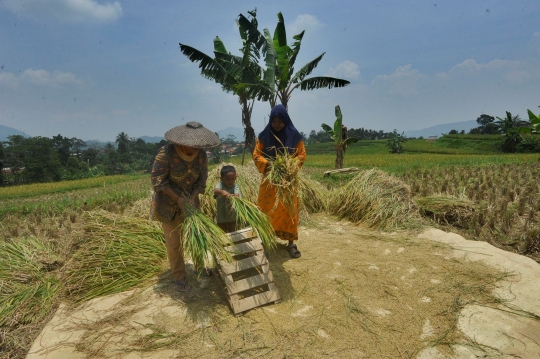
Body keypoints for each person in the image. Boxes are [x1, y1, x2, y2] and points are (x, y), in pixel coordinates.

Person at [151, 121, 221, 292]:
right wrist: (178, 199)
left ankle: (199, 266)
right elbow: (158, 181)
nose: (195, 149)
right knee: (174, 243)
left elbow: (202, 180)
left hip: (190, 201)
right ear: (182, 143)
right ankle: (179, 276)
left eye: (198, 146)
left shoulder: (202, 155)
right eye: (192, 146)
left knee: (196, 235)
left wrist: (192, 198)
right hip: (168, 204)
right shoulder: (166, 153)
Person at [253, 104, 306, 258]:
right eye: (274, 121)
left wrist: (289, 165)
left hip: (288, 182)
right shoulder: (264, 136)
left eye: (280, 121)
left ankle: (291, 244)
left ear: (286, 121)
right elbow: (256, 155)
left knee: (289, 210)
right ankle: (265, 242)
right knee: (265, 211)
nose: (277, 124)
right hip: (269, 182)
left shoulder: (294, 135)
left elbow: (302, 154)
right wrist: (268, 164)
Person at [213, 165, 241, 233]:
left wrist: (231, 196)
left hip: (232, 216)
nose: (230, 181)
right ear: (222, 179)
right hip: (222, 215)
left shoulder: (235, 186)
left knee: (233, 232)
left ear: (235, 178)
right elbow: (215, 191)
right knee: (223, 232)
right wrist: (222, 192)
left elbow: (237, 195)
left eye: (232, 179)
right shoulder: (220, 185)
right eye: (227, 179)